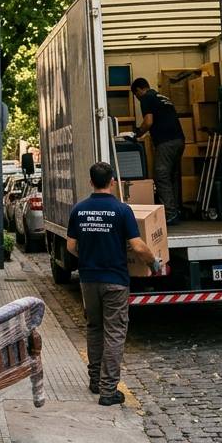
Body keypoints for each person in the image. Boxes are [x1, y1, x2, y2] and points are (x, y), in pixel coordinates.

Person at [66, 161, 155, 407]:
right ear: (113, 182)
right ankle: (108, 390)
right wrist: (152, 263)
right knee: (114, 333)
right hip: (115, 280)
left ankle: (95, 380)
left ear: (91, 182)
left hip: (88, 279)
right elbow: (137, 246)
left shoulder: (79, 210)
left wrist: (88, 259)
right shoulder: (122, 210)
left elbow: (71, 246)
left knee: (94, 328)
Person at [131, 77, 185, 225]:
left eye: (136, 95)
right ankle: (176, 210)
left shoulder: (146, 98)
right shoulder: (162, 96)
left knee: (161, 176)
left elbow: (148, 121)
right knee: (172, 176)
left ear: (139, 90)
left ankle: (170, 213)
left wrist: (137, 134)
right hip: (179, 140)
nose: (137, 98)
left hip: (166, 142)